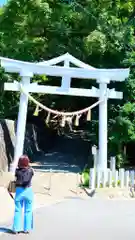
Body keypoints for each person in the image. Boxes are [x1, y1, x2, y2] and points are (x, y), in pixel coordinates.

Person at [12, 155, 34, 234]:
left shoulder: (17, 171)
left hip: (19, 192)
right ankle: (26, 229)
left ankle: (15, 229)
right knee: (28, 211)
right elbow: (30, 174)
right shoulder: (31, 170)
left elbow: (15, 178)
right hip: (28, 191)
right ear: (27, 162)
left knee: (18, 210)